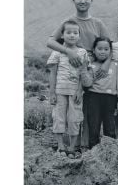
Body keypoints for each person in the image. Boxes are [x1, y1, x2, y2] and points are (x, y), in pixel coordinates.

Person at [47, 0, 110, 148]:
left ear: (91, 0)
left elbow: (111, 46)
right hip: (70, 66)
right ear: (73, 0)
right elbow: (50, 41)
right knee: (69, 107)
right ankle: (68, 145)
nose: (83, 1)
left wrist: (105, 65)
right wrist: (70, 52)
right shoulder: (69, 22)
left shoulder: (98, 23)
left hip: (90, 69)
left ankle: (85, 145)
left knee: (87, 108)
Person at [47, 20, 88, 158]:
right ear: (62, 35)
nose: (72, 35)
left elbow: (83, 73)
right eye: (68, 32)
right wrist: (52, 92)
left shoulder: (82, 53)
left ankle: (71, 148)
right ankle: (60, 147)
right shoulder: (57, 52)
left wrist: (79, 91)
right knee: (59, 118)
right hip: (59, 92)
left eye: (75, 33)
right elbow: (52, 73)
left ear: (79, 36)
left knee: (74, 119)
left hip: (75, 93)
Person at [81, 37, 118, 148]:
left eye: (106, 49)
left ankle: (110, 151)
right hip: (93, 97)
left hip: (110, 99)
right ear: (94, 50)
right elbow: (87, 83)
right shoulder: (91, 65)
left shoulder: (115, 66)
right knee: (94, 125)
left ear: (110, 51)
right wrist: (84, 69)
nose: (103, 51)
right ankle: (93, 153)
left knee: (110, 126)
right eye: (99, 49)